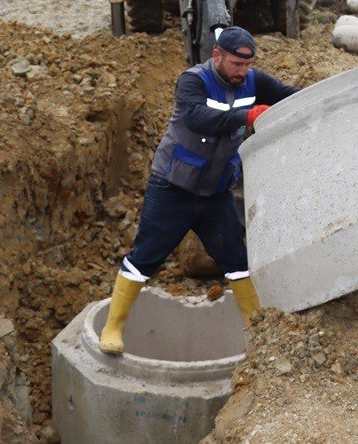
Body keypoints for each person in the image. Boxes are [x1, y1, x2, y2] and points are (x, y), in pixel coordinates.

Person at [98, 27, 299, 354]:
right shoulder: (192, 81)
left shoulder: (253, 80)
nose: (242, 72)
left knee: (237, 260)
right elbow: (198, 118)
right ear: (217, 56)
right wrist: (248, 115)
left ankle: (256, 334)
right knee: (145, 258)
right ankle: (114, 327)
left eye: (247, 66)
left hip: (216, 193)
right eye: (235, 64)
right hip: (172, 188)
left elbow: (292, 95)